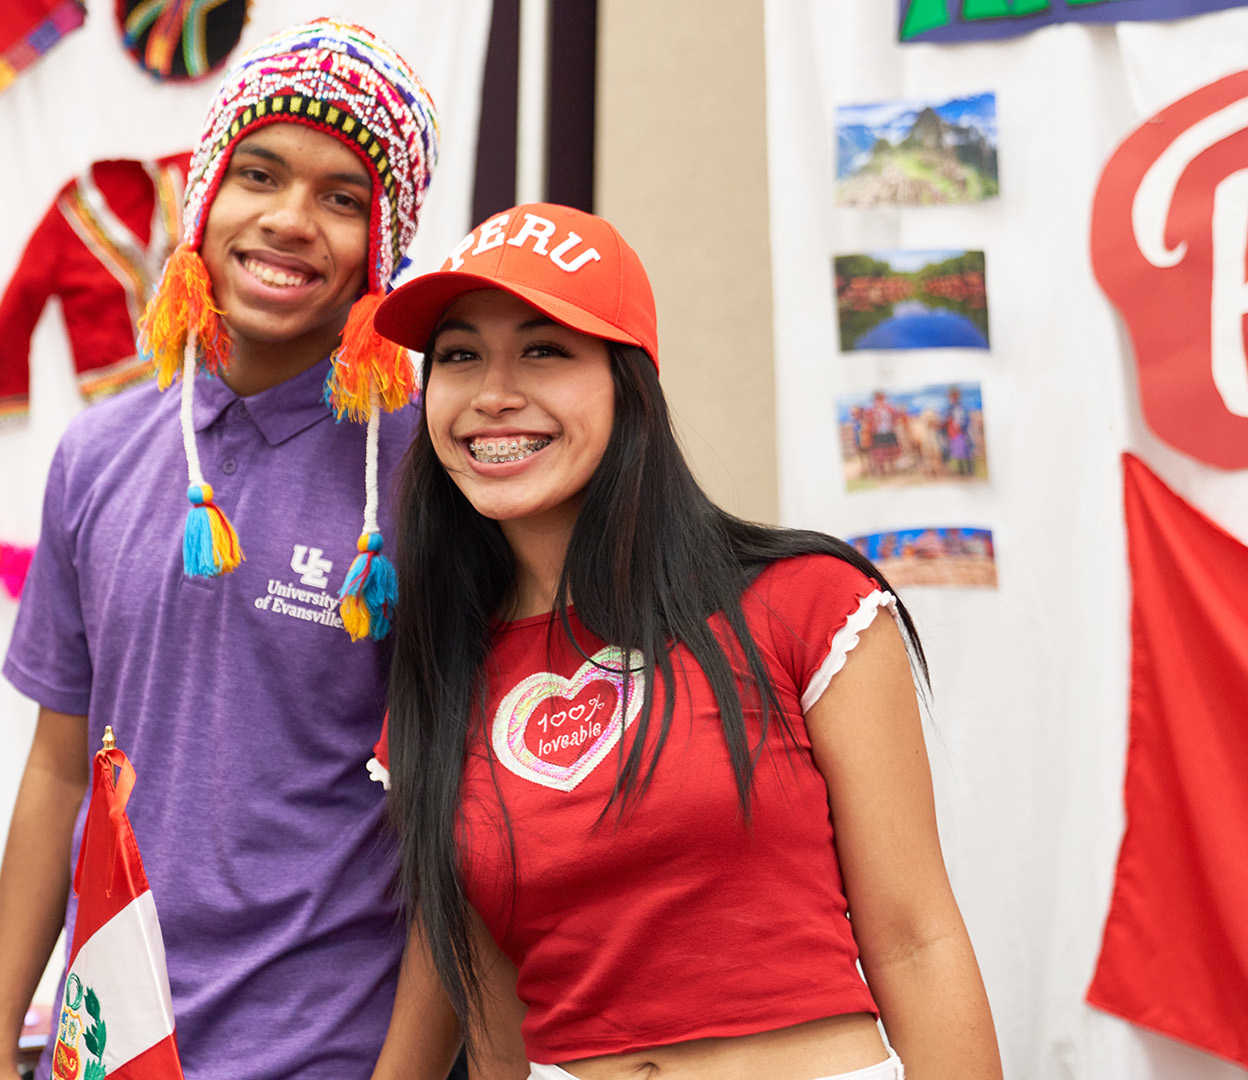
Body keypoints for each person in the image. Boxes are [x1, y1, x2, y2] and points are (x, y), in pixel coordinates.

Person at [365, 204, 1001, 1080]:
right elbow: (491, 1002)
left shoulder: (805, 604)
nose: (492, 394)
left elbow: (916, 942)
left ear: (629, 383)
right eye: (459, 355)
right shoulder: (443, 680)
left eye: (545, 349)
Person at [0, 20, 441, 1080]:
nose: (287, 221)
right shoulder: (99, 453)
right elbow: (57, 769)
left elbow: (458, 827)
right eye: (257, 174)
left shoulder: (427, 472)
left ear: (386, 242)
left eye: (343, 197)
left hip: (325, 1052)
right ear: (204, 194)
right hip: (104, 1048)